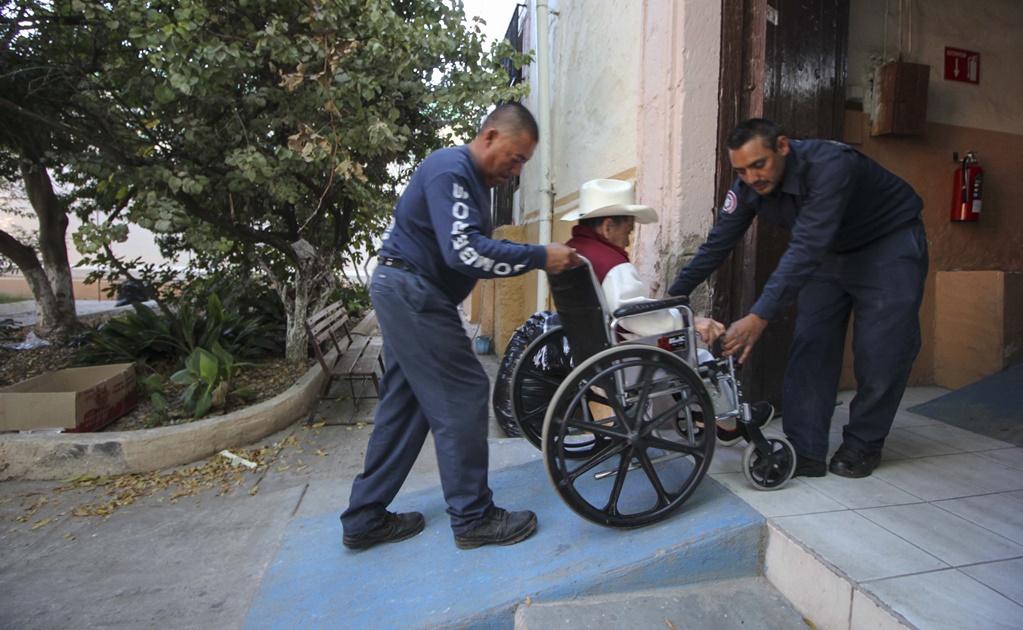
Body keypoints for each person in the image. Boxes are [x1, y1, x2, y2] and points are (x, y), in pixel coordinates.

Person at [340, 102, 579, 551]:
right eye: (516, 157)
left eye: (524, 163)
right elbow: (465, 254)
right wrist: (540, 257)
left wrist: (534, 260)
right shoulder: (450, 168)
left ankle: (365, 517)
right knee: (464, 391)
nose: (515, 172)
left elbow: (472, 256)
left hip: (409, 292)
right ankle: (473, 517)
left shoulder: (469, 182)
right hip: (413, 293)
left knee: (405, 405)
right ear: (489, 136)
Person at [667, 118, 928, 479]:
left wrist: (759, 316)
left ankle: (863, 443)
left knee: (882, 349)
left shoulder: (830, 167)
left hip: (887, 243)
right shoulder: (747, 186)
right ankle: (806, 450)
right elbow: (719, 242)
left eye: (759, 164)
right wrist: (672, 296)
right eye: (742, 170)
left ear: (783, 146)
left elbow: (806, 247)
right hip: (829, 253)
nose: (753, 177)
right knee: (812, 343)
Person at [560, 179, 773, 445]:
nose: (628, 240)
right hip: (625, 360)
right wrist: (689, 321)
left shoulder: (575, 252)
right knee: (701, 358)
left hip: (595, 354)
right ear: (608, 226)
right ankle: (729, 425)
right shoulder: (613, 265)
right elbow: (635, 316)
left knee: (684, 347)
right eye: (627, 231)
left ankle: (699, 415)